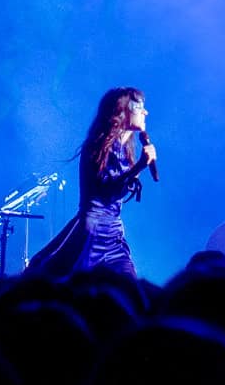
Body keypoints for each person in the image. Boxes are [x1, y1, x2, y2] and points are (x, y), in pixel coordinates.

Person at [29, 87, 154, 280]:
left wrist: (136, 167)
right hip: (94, 232)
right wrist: (139, 167)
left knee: (129, 287)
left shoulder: (123, 147)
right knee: (67, 284)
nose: (145, 112)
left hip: (113, 233)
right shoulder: (98, 147)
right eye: (140, 107)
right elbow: (107, 191)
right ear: (124, 111)